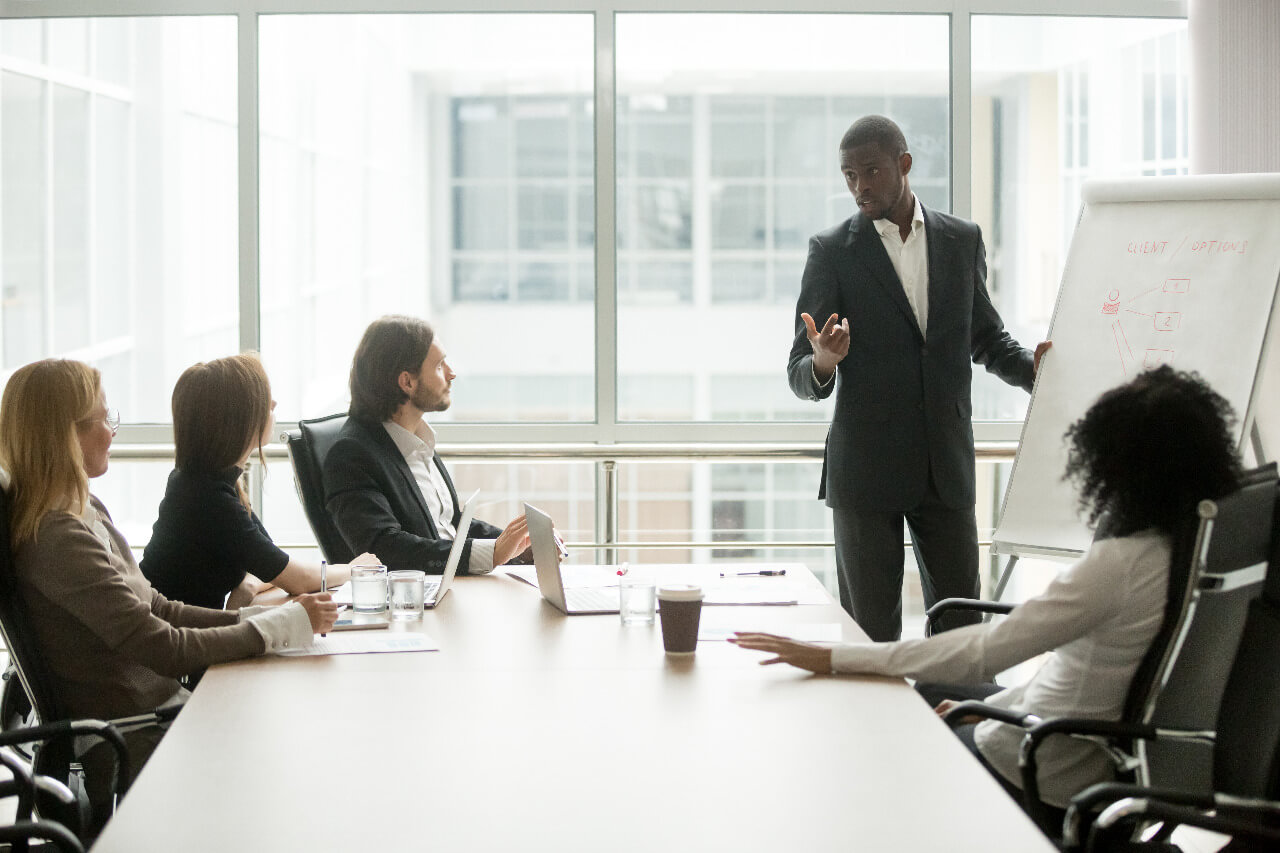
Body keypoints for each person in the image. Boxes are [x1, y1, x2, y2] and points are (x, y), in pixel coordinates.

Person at [732, 366, 1243, 815]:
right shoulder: (1197, 548)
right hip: (1093, 746)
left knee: (885, 757)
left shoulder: (1120, 565)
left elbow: (983, 651)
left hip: (1040, 764)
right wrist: (991, 706)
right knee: (936, 693)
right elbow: (1078, 676)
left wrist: (835, 657)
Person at [0, 359, 339, 824]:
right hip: (138, 733)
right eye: (104, 419)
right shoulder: (57, 539)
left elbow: (158, 606)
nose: (112, 431)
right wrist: (278, 628)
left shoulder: (83, 510)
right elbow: (160, 645)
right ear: (64, 434)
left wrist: (259, 623)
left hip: (164, 713)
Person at [786, 113, 1051, 642]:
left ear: (904, 164)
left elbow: (986, 337)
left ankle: (957, 722)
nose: (860, 186)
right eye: (848, 175)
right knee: (870, 639)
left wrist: (1035, 373)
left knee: (962, 633)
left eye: (872, 171)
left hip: (944, 467)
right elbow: (798, 367)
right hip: (866, 473)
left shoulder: (961, 240)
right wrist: (822, 363)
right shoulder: (832, 252)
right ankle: (875, 728)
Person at [141, 354, 378, 610]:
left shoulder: (202, 481)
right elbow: (297, 579)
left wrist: (247, 586)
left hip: (184, 633)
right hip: (173, 642)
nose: (273, 403)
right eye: (263, 400)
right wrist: (354, 569)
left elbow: (268, 565)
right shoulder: (208, 499)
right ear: (237, 419)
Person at [322, 315, 530, 575]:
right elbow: (383, 549)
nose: (452, 374)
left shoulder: (419, 441)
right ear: (407, 382)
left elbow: (449, 522)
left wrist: (519, 545)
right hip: (412, 605)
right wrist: (493, 553)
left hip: (454, 586)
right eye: (440, 365)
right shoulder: (351, 456)